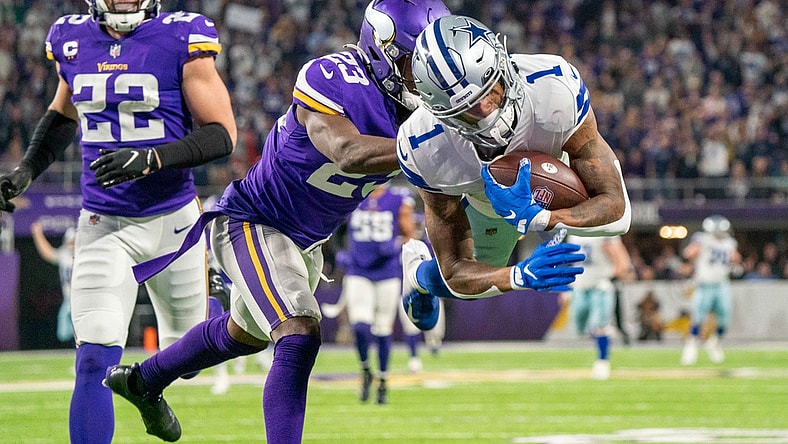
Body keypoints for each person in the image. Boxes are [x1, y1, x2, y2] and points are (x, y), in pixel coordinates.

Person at [104, 2, 454, 442]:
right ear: (381, 49)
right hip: (254, 221)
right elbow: (347, 151)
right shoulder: (332, 77)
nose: (424, 75)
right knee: (299, 332)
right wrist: (432, 145)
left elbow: (437, 190)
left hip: (306, 242)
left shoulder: (423, 112)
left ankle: (143, 381)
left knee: (242, 336)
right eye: (412, 61)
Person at [0, 1, 237, 442]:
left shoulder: (180, 37)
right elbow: (62, 114)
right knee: (93, 359)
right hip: (103, 222)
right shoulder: (72, 39)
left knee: (189, 364)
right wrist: (27, 171)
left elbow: (222, 132)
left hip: (173, 223)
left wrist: (152, 158)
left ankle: (213, 302)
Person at [395, 15, 631, 330]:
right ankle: (417, 275)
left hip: (557, 181)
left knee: (611, 225)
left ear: (502, 64)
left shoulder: (554, 85)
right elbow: (455, 270)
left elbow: (619, 210)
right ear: (441, 114)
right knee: (473, 285)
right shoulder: (423, 144)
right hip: (486, 204)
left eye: (490, 91)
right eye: (467, 111)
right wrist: (518, 276)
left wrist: (544, 219)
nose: (487, 113)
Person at [338, 184, 416, 404]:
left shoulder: (397, 197)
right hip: (358, 270)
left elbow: (409, 234)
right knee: (360, 326)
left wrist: (397, 245)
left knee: (383, 328)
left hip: (387, 272)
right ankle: (365, 369)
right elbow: (334, 228)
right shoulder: (353, 194)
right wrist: (339, 252)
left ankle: (382, 381)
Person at [565, 234, 634, 380]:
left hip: (600, 285)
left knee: (599, 324)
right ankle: (605, 332)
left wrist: (613, 275)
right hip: (580, 285)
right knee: (578, 326)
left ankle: (603, 361)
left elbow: (622, 259)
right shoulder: (573, 232)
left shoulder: (605, 231)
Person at [680, 215, 741, 365]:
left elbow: (736, 258)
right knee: (698, 317)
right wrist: (701, 247)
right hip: (704, 284)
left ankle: (714, 342)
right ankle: (691, 345)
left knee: (725, 318)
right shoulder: (701, 239)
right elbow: (688, 253)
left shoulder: (729, 243)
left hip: (721, 284)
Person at [31, 221, 76, 344]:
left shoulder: (85, 255)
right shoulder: (64, 254)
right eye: (70, 242)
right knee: (64, 334)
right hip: (68, 300)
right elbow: (47, 253)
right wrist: (37, 234)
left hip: (83, 298)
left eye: (74, 242)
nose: (71, 245)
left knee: (80, 331)